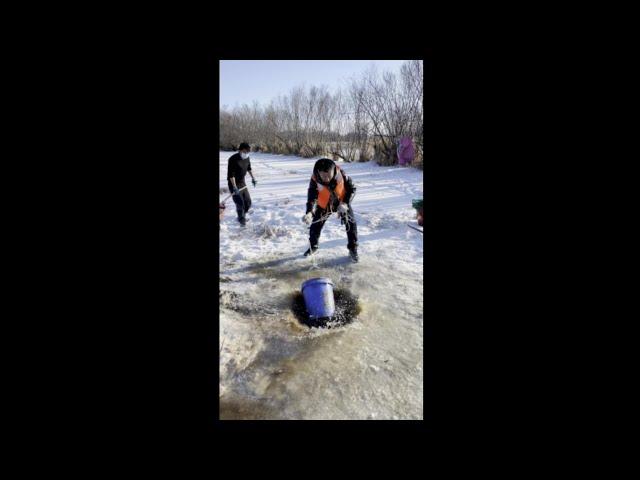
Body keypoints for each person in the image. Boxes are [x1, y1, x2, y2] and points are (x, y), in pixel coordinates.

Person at [302, 158, 359, 262]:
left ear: (334, 171)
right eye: (323, 176)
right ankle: (313, 247)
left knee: (351, 223)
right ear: (318, 173)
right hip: (324, 204)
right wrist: (309, 212)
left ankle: (353, 249)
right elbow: (311, 195)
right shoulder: (314, 179)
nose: (326, 179)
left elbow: (352, 189)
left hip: (341, 202)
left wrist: (345, 203)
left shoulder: (341, 174)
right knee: (315, 226)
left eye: (328, 175)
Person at [227, 142, 257, 226]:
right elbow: (231, 174)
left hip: (242, 182)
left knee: (248, 202)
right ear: (240, 150)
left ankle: (243, 215)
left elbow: (249, 168)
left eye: (248, 151)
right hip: (233, 183)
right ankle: (241, 221)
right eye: (246, 151)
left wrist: (253, 178)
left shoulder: (247, 157)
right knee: (240, 203)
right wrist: (234, 187)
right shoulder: (233, 159)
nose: (247, 152)